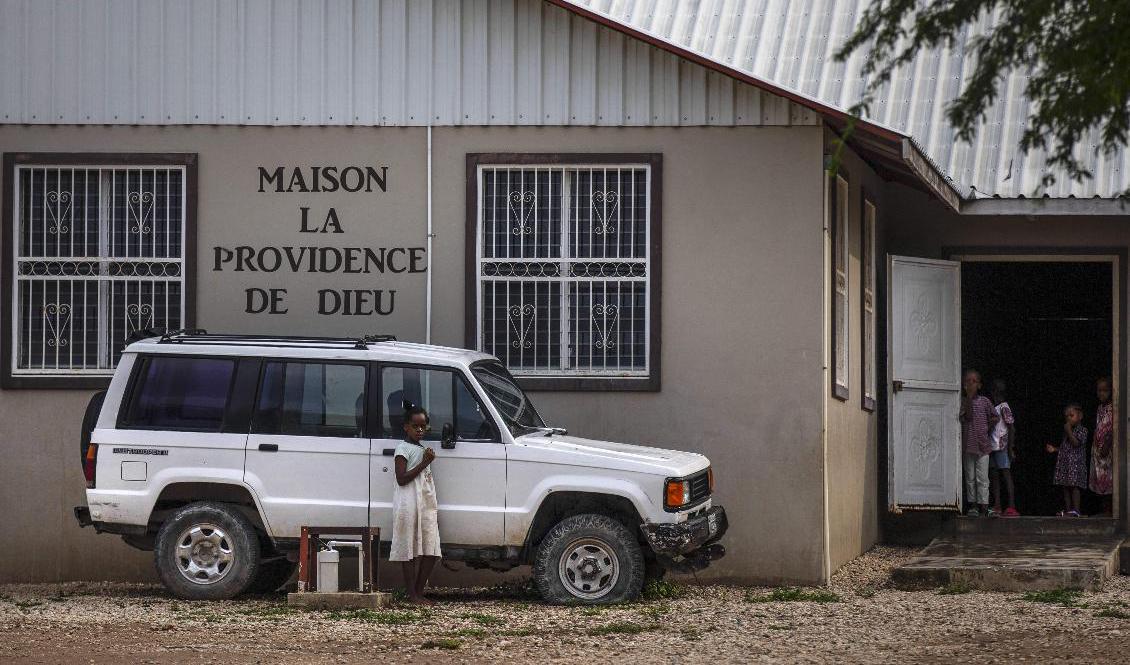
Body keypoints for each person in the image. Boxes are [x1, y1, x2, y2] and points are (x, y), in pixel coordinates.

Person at [390, 406, 441, 604]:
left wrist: (426, 459)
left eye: (423, 426)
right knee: (409, 547)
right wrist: (424, 463)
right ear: (406, 427)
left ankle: (419, 592)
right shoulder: (402, 449)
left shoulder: (422, 449)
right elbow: (402, 478)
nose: (420, 430)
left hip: (425, 504)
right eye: (415, 426)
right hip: (408, 503)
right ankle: (412, 594)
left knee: (431, 548)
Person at [960, 370, 998, 517]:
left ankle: (984, 506)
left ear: (980, 385)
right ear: (964, 385)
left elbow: (995, 416)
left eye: (973, 381)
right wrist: (969, 397)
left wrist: (987, 426)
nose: (970, 383)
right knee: (970, 477)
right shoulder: (963, 401)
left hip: (983, 446)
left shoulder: (985, 401)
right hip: (968, 447)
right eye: (968, 381)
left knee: (983, 478)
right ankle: (973, 506)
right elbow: (968, 416)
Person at [1045, 403, 1088, 517]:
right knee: (1065, 487)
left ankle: (1076, 510)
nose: (1068, 418)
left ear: (1080, 416)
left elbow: (1075, 443)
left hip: (1075, 465)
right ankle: (1069, 510)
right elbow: (1065, 448)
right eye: (1066, 416)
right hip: (1066, 465)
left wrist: (1068, 431)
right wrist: (1054, 449)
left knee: (1074, 487)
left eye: (1071, 415)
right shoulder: (1066, 433)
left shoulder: (1082, 430)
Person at [988, 380, 1019, 517]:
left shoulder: (1004, 407)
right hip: (992, 447)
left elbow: (1012, 428)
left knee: (1006, 475)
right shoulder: (994, 407)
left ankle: (1011, 506)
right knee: (994, 475)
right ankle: (997, 506)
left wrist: (1010, 448)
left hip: (1002, 447)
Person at [1090, 378, 1114, 515]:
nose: (1102, 393)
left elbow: (1112, 428)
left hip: (1107, 450)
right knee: (1100, 480)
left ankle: (1110, 511)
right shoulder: (1100, 408)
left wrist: (1107, 444)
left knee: (1108, 480)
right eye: (1099, 390)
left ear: (1111, 391)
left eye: (1105, 390)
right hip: (1098, 451)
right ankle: (1104, 511)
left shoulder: (1113, 407)